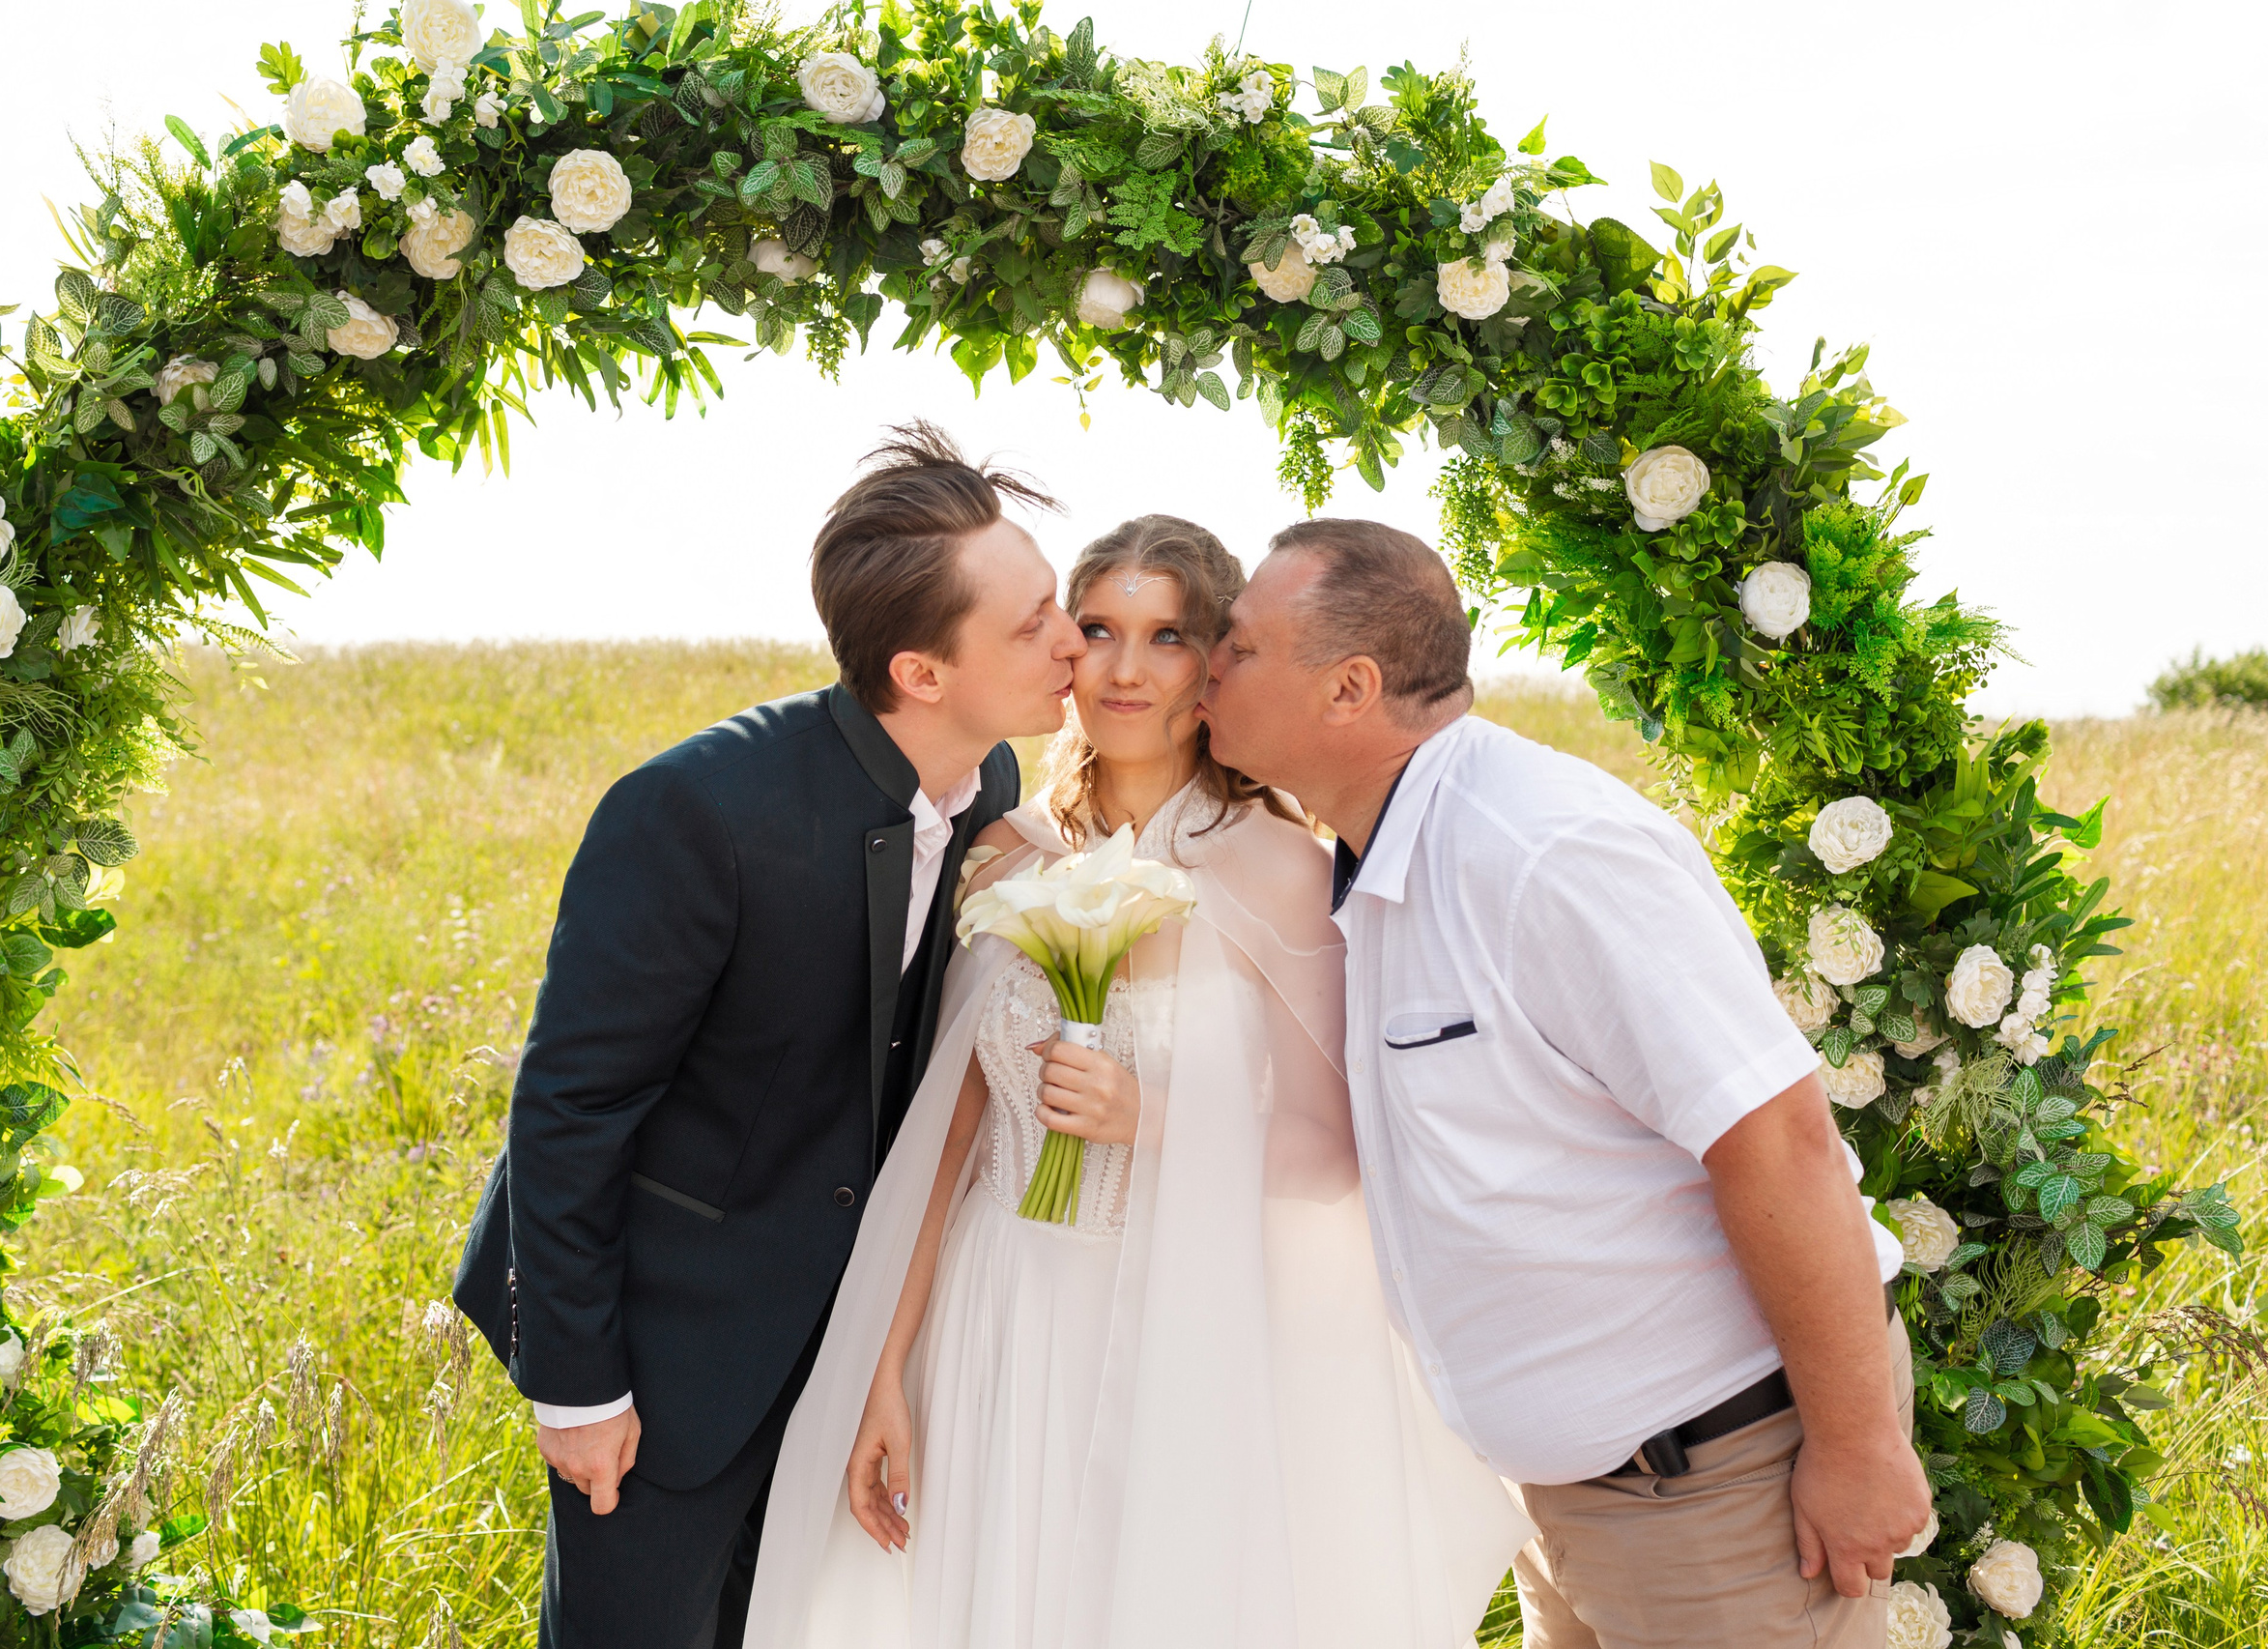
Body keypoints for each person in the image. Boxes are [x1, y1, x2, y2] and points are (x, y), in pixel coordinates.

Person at [745, 516, 1533, 1649]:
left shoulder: (1284, 866)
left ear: (1214, 662)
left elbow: (1337, 1148)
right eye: (1099, 628)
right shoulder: (1007, 851)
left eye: (1166, 637)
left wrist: (1152, 1116)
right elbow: (951, 1136)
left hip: (1188, 1326)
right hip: (997, 1309)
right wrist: (885, 1369)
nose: (1122, 668)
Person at [1198, 518, 1932, 1649]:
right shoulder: (1378, 849)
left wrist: (1856, 1445)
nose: (1207, 660)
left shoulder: (1541, 851)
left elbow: (1776, 1136)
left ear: (1349, 687)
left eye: (1239, 645)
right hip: (1583, 1502)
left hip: (1723, 1491)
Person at [451, 424, 1088, 1649]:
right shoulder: (693, 810)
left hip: (844, 1341)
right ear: (920, 670)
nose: (1070, 642)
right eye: (1030, 626)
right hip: (663, 1343)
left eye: (1053, 603)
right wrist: (578, 1386)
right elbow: (571, 1106)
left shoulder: (994, 794)